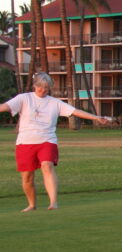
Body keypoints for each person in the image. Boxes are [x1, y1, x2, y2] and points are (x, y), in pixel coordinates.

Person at [0, 72, 109, 212]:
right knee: (27, 176)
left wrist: (96, 118)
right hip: (25, 142)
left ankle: (53, 202)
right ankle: (32, 205)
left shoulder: (55, 102)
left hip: (47, 140)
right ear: (35, 85)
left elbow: (75, 111)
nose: (43, 90)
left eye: (46, 87)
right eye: (40, 86)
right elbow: (4, 107)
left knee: (47, 165)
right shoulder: (24, 98)